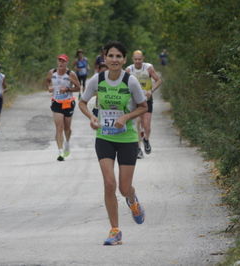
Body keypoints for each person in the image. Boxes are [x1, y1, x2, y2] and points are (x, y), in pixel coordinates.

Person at [79, 41, 147, 245]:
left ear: (124, 60)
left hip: (127, 139)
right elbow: (82, 102)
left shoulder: (131, 81)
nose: (114, 60)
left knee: (124, 189)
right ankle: (115, 230)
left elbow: (143, 106)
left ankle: (132, 200)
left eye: (118, 56)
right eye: (111, 56)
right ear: (104, 58)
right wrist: (91, 117)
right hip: (104, 137)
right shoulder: (97, 79)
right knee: (109, 184)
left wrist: (126, 118)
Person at [126, 50, 162, 158]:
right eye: (136, 59)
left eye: (139, 59)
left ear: (143, 58)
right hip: (134, 101)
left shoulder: (148, 68)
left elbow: (159, 80)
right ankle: (138, 149)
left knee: (146, 125)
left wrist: (151, 91)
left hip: (147, 99)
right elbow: (123, 84)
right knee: (136, 124)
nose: (137, 61)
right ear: (132, 59)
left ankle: (146, 139)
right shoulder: (129, 70)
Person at [46, 54, 81, 161]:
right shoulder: (52, 72)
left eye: (63, 61)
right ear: (57, 62)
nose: (61, 63)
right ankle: (60, 152)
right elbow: (47, 81)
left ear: (67, 63)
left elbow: (78, 88)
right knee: (59, 127)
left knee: (67, 128)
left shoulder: (71, 74)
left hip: (68, 103)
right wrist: (50, 87)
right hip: (56, 102)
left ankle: (67, 143)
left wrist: (67, 89)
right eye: (59, 61)